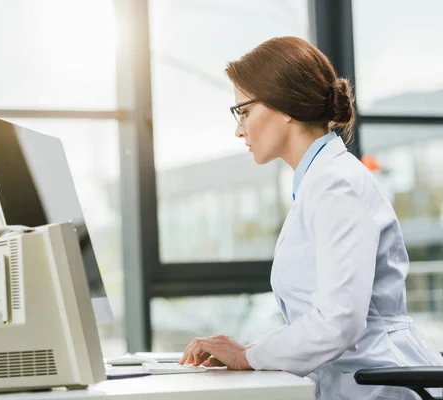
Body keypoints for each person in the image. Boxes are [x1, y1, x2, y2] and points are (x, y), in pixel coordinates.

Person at [178, 36, 443, 399]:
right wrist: (248, 352)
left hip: (377, 385)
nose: (239, 129)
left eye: (244, 111)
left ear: (284, 107)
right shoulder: (320, 182)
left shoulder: (336, 185)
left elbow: (339, 322)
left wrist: (248, 356)